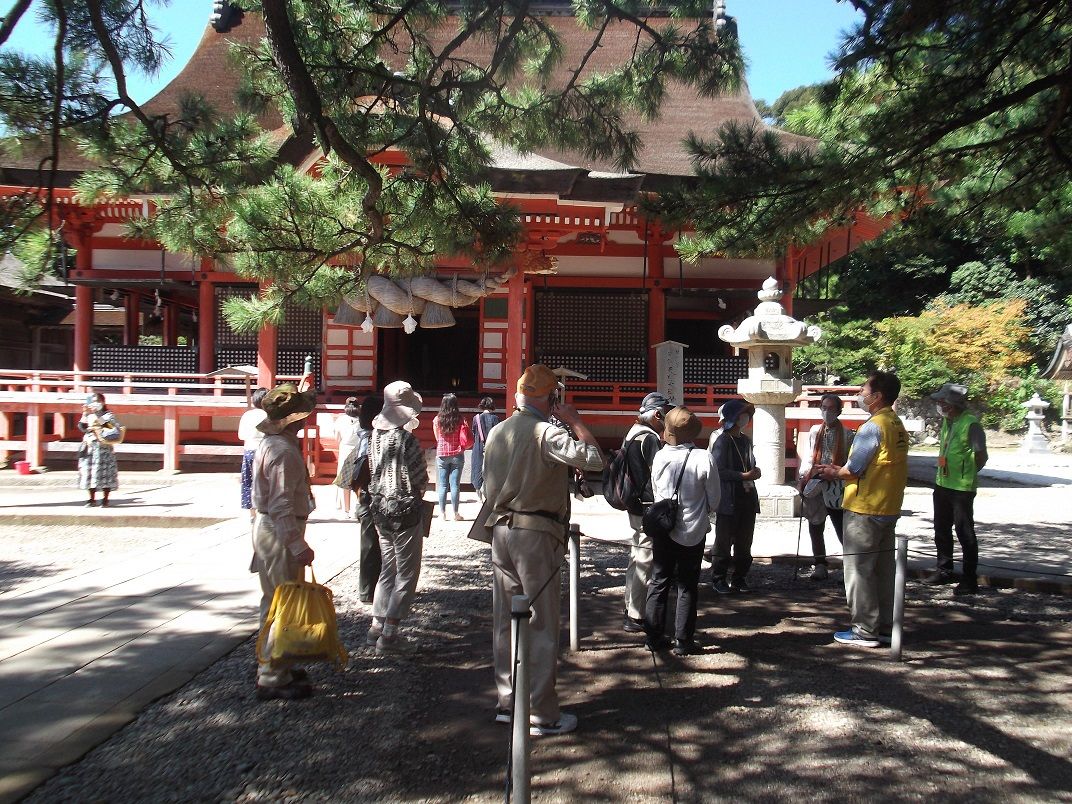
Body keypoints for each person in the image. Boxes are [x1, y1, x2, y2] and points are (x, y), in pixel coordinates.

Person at [481, 364, 603, 736]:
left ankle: (508, 701)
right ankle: (541, 710)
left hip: (500, 529)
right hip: (536, 532)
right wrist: (576, 420)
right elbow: (596, 459)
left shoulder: (497, 430)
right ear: (551, 398)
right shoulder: (546, 433)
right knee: (541, 621)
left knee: (506, 619)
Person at [816, 370, 909, 648]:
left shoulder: (873, 426)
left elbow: (854, 468)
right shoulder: (896, 424)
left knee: (858, 570)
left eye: (864, 390)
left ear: (877, 396)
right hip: (889, 505)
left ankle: (863, 629)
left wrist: (833, 471)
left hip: (865, 507)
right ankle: (883, 625)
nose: (860, 395)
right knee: (883, 570)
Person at [250, 382, 317, 700]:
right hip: (278, 531)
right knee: (282, 600)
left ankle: (275, 659)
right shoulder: (284, 452)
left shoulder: (271, 443)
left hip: (267, 527)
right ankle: (273, 675)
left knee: (273, 599)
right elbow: (281, 505)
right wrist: (297, 544)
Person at [644, 407, 720, 656]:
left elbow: (656, 491)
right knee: (687, 584)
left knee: (659, 581)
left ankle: (654, 637)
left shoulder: (660, 456)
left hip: (664, 525)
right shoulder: (703, 457)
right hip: (693, 528)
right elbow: (715, 498)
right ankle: (683, 640)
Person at [365, 381, 429, 653]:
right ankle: (390, 634)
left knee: (387, 568)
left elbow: (371, 470)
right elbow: (419, 477)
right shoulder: (407, 440)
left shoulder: (374, 438)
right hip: (405, 511)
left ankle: (376, 624)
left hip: (379, 509)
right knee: (406, 572)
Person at [924, 382, 988, 595]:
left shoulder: (971, 424)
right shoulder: (947, 421)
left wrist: (966, 473)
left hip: (961, 488)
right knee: (941, 529)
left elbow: (981, 456)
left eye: (942, 401)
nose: (939, 404)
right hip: (942, 483)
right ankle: (944, 570)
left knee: (964, 532)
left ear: (952, 404)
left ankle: (969, 579)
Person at [620, 391, 674, 634]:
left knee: (636, 556)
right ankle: (637, 614)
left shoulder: (632, 432)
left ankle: (630, 606)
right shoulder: (649, 438)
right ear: (657, 413)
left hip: (635, 504)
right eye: (665, 413)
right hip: (647, 507)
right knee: (645, 560)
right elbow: (658, 473)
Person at [797, 393, 854, 580]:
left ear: (839, 411)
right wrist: (804, 476)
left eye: (830, 408)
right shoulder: (815, 431)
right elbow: (808, 455)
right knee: (815, 525)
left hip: (837, 484)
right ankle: (820, 564)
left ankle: (851, 567)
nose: (826, 412)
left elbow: (850, 463)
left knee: (841, 527)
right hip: (816, 481)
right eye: (823, 407)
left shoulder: (847, 434)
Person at [708, 399, 761, 594]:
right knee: (723, 541)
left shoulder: (746, 440)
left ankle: (740, 577)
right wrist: (743, 476)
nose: (745, 418)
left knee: (745, 541)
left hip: (747, 497)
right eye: (742, 414)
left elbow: (750, 463)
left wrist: (754, 472)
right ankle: (719, 577)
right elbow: (718, 471)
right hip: (729, 499)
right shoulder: (722, 440)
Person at [352, 394, 385, 604]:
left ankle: (373, 587)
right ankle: (367, 589)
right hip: (369, 495)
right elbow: (363, 467)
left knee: (373, 543)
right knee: (371, 544)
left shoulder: (364, 434)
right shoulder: (369, 438)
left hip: (367, 494)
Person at [77, 392, 123, 507]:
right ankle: (91, 499)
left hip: (104, 448)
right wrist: (85, 413)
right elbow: (82, 427)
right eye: (93, 402)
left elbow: (110, 427)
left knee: (105, 473)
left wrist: (98, 414)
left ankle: (105, 499)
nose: (95, 404)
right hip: (90, 447)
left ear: (103, 402)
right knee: (90, 473)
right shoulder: (89, 414)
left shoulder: (107, 415)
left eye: (98, 402)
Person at [433, 393, 471, 521]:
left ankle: (442, 513)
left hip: (442, 454)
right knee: (455, 485)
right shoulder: (461, 419)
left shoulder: (437, 419)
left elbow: (437, 438)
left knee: (442, 485)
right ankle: (456, 513)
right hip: (457, 454)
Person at [238, 387, 269, 521]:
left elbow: (241, 435)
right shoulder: (269, 415)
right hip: (265, 451)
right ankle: (264, 510)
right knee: (266, 481)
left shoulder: (247, 415)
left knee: (248, 481)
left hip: (249, 450)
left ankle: (252, 513)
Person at [332, 397, 363, 517]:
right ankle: (358, 507)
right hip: (359, 450)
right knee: (358, 481)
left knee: (345, 481)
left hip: (345, 449)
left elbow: (337, 437)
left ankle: (346, 510)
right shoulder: (362, 420)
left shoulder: (340, 420)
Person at [470, 396, 500, 501]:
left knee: (477, 470)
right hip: (492, 449)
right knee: (491, 471)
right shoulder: (496, 418)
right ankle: (489, 494)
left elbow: (474, 432)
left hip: (478, 447)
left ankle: (479, 495)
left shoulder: (476, 418)